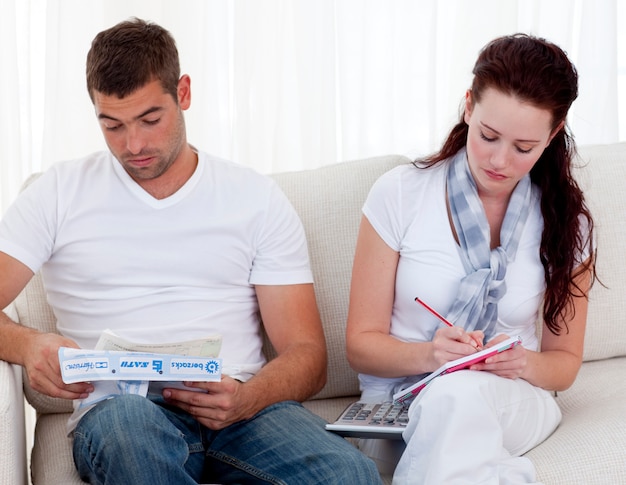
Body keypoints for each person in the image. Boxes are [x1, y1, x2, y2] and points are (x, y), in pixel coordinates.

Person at [0, 18, 381, 485]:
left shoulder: (252, 196)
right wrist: (26, 345)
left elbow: (307, 355)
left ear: (183, 93)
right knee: (128, 436)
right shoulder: (57, 192)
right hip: (124, 411)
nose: (133, 144)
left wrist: (247, 397)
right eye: (112, 125)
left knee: (348, 473)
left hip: (240, 409)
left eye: (150, 119)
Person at [346, 33, 597, 484]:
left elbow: (564, 363)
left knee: (457, 396)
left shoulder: (567, 223)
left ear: (553, 134)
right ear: (468, 107)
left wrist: (521, 362)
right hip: (398, 403)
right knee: (453, 405)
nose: (500, 160)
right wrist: (430, 354)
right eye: (488, 136)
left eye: (524, 148)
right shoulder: (400, 193)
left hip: (511, 399)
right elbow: (360, 345)